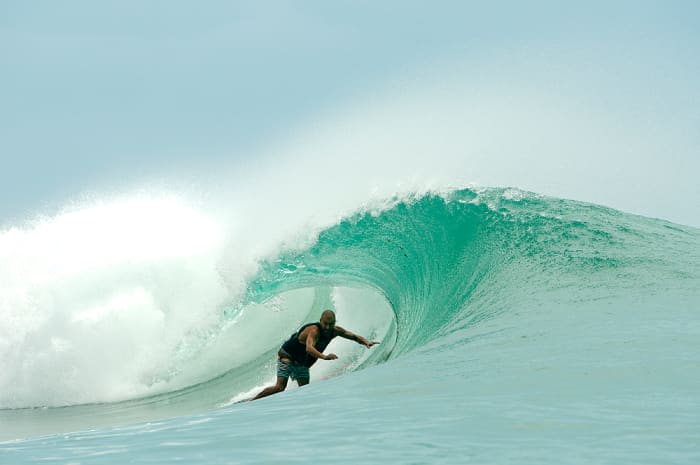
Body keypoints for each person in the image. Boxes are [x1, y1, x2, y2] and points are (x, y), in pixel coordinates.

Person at [252, 309, 379, 400]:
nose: (328, 327)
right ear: (320, 321)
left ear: (335, 322)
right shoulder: (314, 330)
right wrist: (325, 357)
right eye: (325, 323)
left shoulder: (335, 331)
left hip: (301, 363)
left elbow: (353, 336)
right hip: (287, 356)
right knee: (280, 387)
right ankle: (253, 401)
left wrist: (366, 342)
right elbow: (309, 348)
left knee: (305, 391)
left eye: (331, 324)